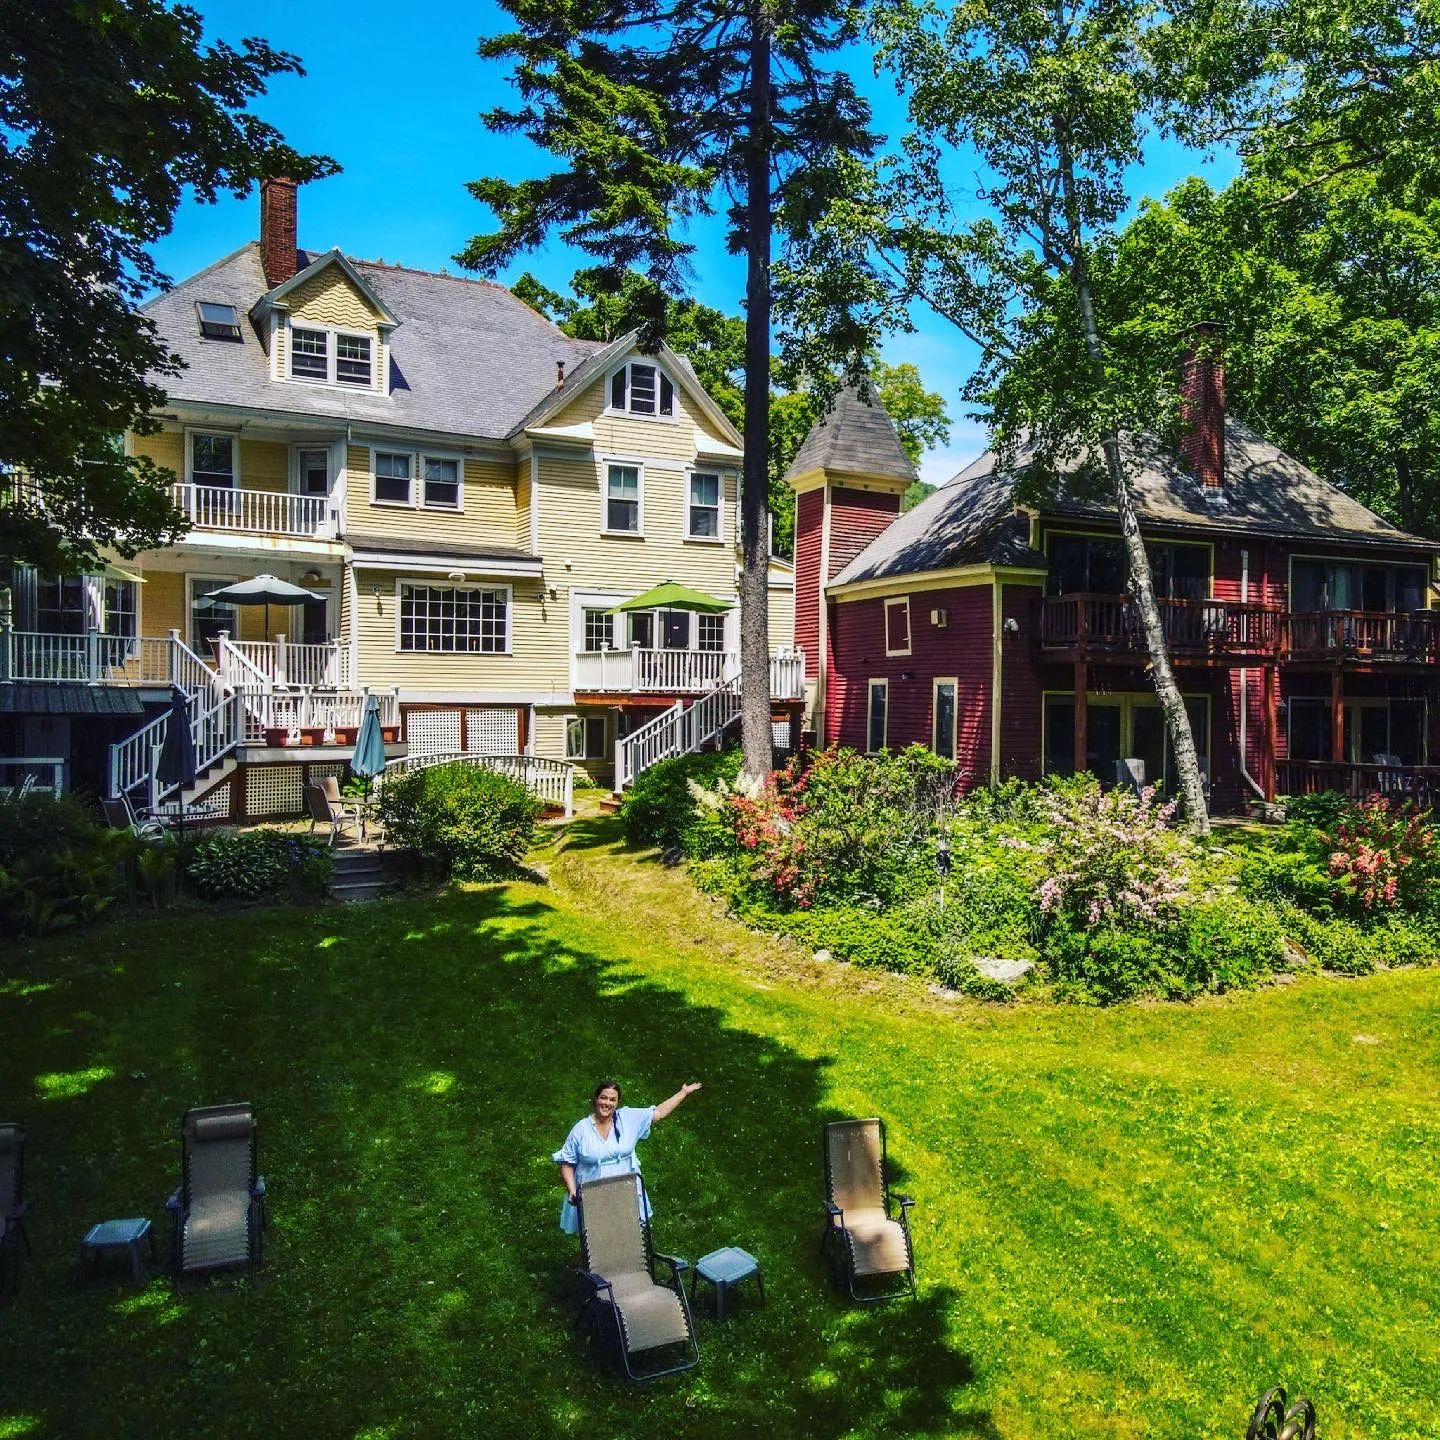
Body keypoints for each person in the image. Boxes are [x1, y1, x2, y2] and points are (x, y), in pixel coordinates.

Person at [553, 1078, 701, 1235]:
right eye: (603, 1097)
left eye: (612, 1099)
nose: (607, 1103)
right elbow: (567, 1162)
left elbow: (658, 1113)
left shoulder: (628, 1119)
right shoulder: (581, 1129)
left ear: (617, 1103)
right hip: (593, 1193)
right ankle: (596, 1259)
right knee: (597, 1235)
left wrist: (683, 1093)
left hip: (625, 1189)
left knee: (627, 1233)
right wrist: (572, 1190)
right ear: (596, 1099)